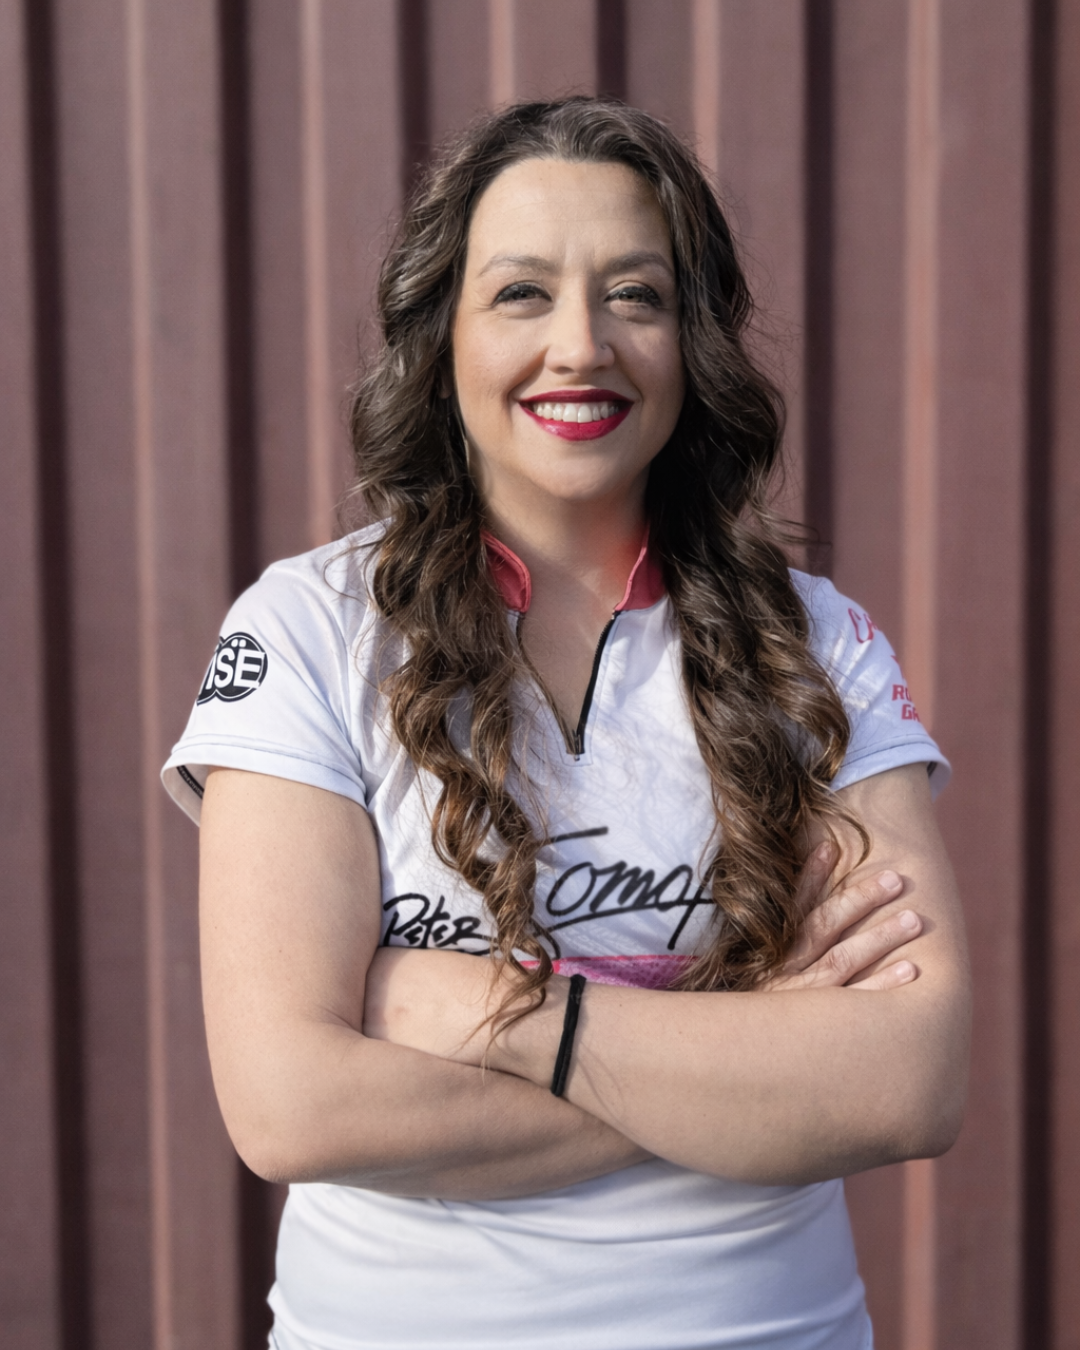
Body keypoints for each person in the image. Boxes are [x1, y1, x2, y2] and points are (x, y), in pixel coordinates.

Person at [163, 98, 970, 1350]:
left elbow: (909, 1083)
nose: (581, 345)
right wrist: (754, 1067)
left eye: (636, 296)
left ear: (692, 341)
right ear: (442, 339)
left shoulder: (820, 645)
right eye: (522, 294)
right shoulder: (309, 629)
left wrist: (515, 1017)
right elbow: (290, 1109)